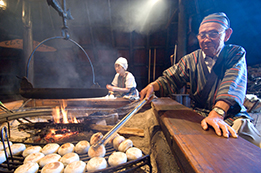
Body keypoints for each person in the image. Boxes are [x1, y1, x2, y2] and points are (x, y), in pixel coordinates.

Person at [140, 12, 261, 147]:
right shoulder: (190, 59)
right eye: (202, 35)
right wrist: (152, 86)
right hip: (200, 116)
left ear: (227, 35)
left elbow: (232, 83)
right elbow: (170, 79)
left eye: (214, 33)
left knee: (245, 147)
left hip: (230, 116)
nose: (206, 39)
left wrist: (217, 114)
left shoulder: (235, 54)